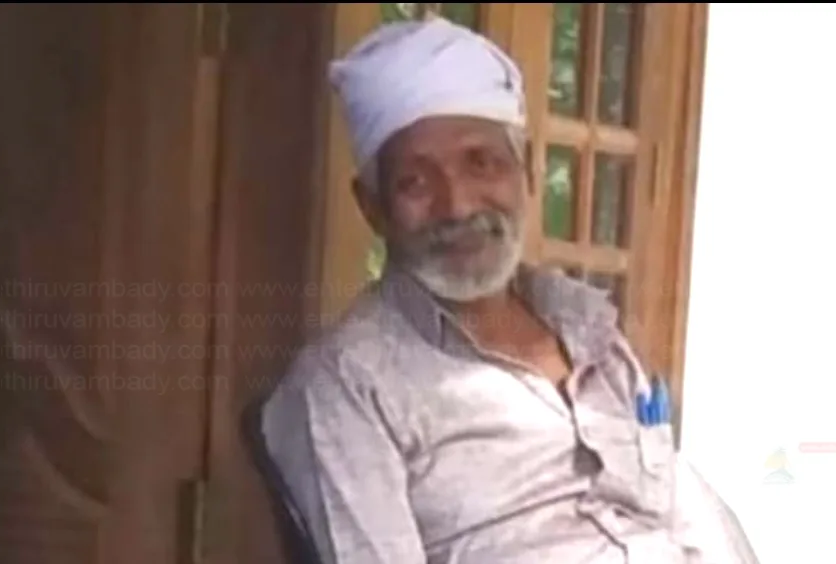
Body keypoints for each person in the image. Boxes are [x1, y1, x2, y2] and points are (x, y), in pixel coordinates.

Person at [260, 16, 759, 564]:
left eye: (482, 163)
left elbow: (690, 516)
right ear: (372, 208)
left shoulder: (590, 331)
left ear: (528, 172)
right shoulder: (350, 383)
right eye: (416, 181)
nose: (458, 205)